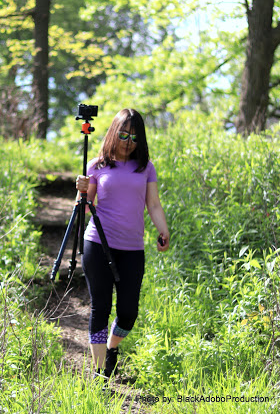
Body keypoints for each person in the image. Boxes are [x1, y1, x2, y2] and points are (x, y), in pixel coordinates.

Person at [76, 108, 170, 380]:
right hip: (99, 244)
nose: (129, 142)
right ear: (113, 133)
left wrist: (163, 230)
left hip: (132, 249)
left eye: (134, 137)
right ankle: (99, 374)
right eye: (124, 135)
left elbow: (153, 204)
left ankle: (111, 348)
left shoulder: (145, 167)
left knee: (128, 312)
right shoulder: (97, 165)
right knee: (100, 307)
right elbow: (84, 208)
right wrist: (81, 190)